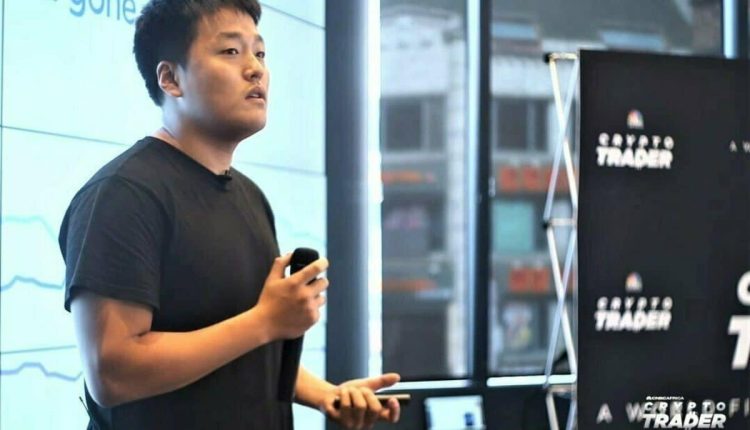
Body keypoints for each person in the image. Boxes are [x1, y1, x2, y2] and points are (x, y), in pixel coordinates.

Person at [58, 1, 401, 428]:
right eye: (231, 51)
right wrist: (266, 321)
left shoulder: (250, 197)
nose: (255, 69)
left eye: (260, 53)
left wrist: (325, 394)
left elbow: (240, 346)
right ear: (171, 79)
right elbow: (113, 372)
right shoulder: (123, 195)